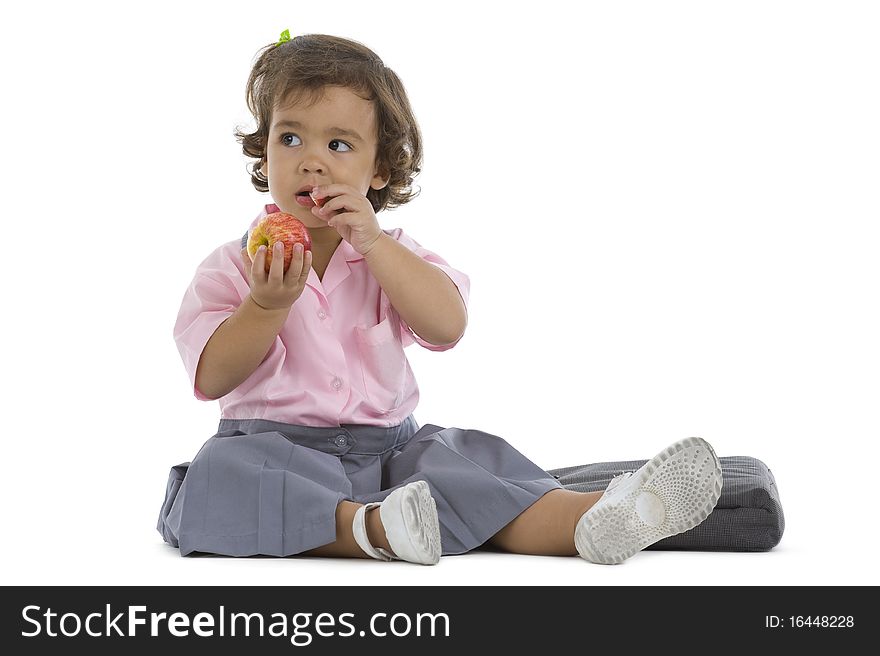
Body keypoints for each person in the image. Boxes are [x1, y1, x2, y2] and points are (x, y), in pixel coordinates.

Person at [157, 31, 722, 566]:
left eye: (338, 144)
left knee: (466, 467)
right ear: (263, 155)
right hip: (274, 451)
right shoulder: (233, 266)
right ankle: (375, 531)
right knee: (229, 475)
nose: (312, 160)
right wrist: (264, 307)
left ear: (378, 170)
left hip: (389, 454)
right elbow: (211, 378)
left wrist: (375, 244)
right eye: (290, 138)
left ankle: (596, 517)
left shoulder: (393, 255)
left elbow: (447, 325)